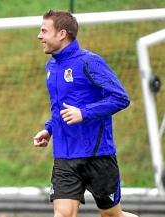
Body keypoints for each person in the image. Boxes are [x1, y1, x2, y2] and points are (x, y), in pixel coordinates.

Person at [33, 10, 138, 217]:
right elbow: (58, 108)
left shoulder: (89, 62)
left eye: (44, 31)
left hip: (97, 155)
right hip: (64, 156)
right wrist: (49, 129)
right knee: (63, 214)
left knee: (112, 215)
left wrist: (84, 112)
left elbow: (120, 98)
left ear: (62, 34)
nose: (39, 36)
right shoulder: (51, 66)